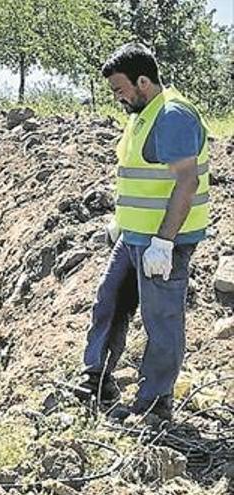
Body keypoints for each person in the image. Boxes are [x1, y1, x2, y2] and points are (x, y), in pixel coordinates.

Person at [76, 43, 211, 421]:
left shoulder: (172, 116)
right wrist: (121, 224)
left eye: (120, 90)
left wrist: (164, 243)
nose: (117, 98)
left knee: (161, 319)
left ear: (143, 81)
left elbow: (186, 182)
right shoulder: (143, 113)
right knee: (109, 303)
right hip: (134, 237)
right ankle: (96, 379)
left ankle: (155, 402)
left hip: (163, 242)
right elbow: (141, 178)